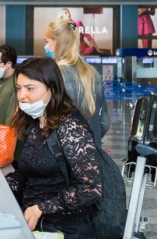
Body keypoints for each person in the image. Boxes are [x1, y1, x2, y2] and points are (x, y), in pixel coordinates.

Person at [6, 57, 103, 239]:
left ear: (51, 89)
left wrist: (41, 208)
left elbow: (91, 188)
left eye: (30, 88)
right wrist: (4, 184)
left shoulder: (71, 127)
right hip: (39, 227)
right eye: (19, 88)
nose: (22, 96)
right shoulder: (34, 122)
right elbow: (28, 172)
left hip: (67, 232)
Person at [44, 18, 110, 151]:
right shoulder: (92, 74)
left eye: (47, 41)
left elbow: (47, 123)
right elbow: (104, 122)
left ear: (57, 42)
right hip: (92, 154)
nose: (46, 46)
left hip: (62, 155)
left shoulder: (52, 75)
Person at [0, 44, 18, 126]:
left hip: (8, 134)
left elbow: (12, 115)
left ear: (8, 64)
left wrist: (7, 134)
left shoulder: (16, 83)